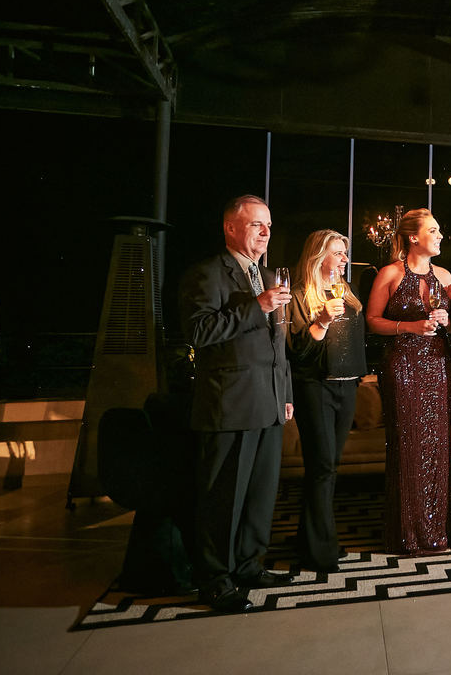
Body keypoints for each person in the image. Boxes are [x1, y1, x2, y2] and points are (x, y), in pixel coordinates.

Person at [179, 195, 295, 613]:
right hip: (229, 405)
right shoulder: (207, 273)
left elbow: (278, 342)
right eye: (255, 225)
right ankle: (214, 580)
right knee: (222, 499)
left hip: (269, 402)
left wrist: (285, 394)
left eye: (269, 226)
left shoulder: (268, 275)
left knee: (260, 496)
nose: (265, 232)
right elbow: (198, 332)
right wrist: (256, 306)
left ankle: (248, 565)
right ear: (230, 228)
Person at [365, 208, 451, 554]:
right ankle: (406, 534)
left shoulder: (444, 277)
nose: (440, 236)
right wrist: (410, 327)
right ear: (413, 237)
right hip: (402, 364)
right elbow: (372, 320)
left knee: (436, 445)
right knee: (407, 445)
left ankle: (436, 531)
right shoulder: (390, 273)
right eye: (433, 230)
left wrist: (445, 320)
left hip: (439, 364)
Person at [285, 229, 368, 573]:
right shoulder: (299, 296)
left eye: (345, 253)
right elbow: (297, 352)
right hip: (315, 387)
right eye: (337, 252)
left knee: (329, 466)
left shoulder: (347, 291)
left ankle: (311, 539)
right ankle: (320, 551)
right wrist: (321, 320)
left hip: (347, 386)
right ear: (318, 256)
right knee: (321, 468)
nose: (344, 259)